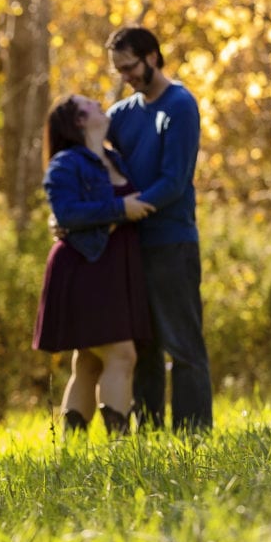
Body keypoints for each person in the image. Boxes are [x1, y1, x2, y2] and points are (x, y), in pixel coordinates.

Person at [104, 25, 213, 431]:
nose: (125, 77)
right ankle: (149, 431)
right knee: (143, 346)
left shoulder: (180, 105)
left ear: (152, 57)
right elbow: (86, 148)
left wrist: (125, 208)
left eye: (129, 67)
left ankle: (193, 434)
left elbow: (175, 180)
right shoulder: (121, 115)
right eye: (119, 70)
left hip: (172, 243)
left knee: (183, 345)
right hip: (132, 247)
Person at [33, 94, 155, 435]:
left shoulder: (114, 157)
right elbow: (67, 212)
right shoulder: (66, 163)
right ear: (78, 121)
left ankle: (74, 445)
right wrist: (120, 210)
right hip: (83, 268)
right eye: (91, 105)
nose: (102, 106)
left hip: (111, 268)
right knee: (122, 354)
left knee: (88, 360)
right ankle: (119, 444)